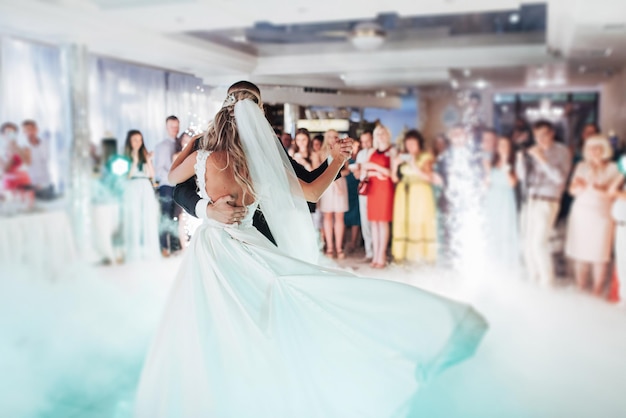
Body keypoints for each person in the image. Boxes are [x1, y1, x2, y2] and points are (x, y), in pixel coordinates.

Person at [134, 81, 487, 417]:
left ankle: (239, 387)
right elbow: (310, 192)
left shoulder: (208, 152)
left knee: (218, 318)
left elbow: (171, 179)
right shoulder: (258, 154)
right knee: (265, 307)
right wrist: (336, 161)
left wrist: (194, 146)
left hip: (214, 248)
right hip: (250, 244)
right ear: (255, 110)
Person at [516, 120, 572, 287]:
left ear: (552, 133)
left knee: (539, 243)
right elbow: (522, 177)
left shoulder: (562, 151)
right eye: (536, 136)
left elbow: (560, 179)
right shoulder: (532, 151)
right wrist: (520, 159)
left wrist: (542, 159)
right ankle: (534, 279)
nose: (540, 139)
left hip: (548, 202)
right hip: (531, 200)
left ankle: (547, 283)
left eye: (543, 135)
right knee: (526, 242)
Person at [565, 136, 620, 296]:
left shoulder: (614, 168)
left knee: (599, 255)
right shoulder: (581, 166)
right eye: (590, 148)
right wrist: (577, 187)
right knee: (580, 253)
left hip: (601, 215)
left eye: (597, 148)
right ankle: (581, 290)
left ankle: (597, 292)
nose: (593, 151)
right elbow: (572, 191)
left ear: (604, 150)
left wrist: (599, 188)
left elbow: (613, 193)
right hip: (581, 213)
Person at [391, 129, 438, 264]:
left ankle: (420, 256)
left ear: (419, 143)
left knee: (418, 221)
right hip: (403, 193)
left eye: (413, 143)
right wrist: (395, 165)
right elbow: (394, 179)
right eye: (408, 143)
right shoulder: (403, 157)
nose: (410, 146)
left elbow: (428, 178)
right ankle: (403, 255)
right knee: (403, 221)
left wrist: (413, 164)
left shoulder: (425, 157)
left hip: (420, 193)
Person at [122, 130, 160, 261]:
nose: (138, 143)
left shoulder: (145, 154)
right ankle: (134, 252)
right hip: (132, 186)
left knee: (147, 217)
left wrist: (148, 160)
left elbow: (152, 175)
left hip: (145, 186)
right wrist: (134, 160)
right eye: (134, 140)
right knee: (134, 217)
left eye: (140, 139)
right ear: (129, 141)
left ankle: (149, 252)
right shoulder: (125, 156)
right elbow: (127, 175)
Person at [483, 136, 520, 272]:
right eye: (500, 145)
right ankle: (493, 265)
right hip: (492, 199)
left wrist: (505, 163)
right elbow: (485, 186)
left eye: (505, 145)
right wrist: (487, 172)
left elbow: (512, 184)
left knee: (506, 231)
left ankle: (507, 267)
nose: (502, 148)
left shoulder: (515, 163)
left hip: (506, 200)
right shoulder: (491, 164)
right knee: (492, 231)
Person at [363, 124, 396, 268]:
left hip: (385, 188)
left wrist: (375, 168)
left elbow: (391, 173)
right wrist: (373, 171)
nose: (380, 136)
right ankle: (375, 255)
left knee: (383, 222)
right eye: (377, 134)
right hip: (373, 188)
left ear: (388, 135)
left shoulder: (392, 151)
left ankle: (381, 255)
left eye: (383, 133)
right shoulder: (371, 152)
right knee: (374, 223)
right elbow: (365, 169)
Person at [318, 130, 350, 259]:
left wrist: (338, 179)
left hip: (340, 183)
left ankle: (339, 247)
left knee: (339, 216)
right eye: (329, 136)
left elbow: (346, 170)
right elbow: (322, 171)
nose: (332, 139)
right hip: (327, 185)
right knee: (328, 216)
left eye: (335, 136)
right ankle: (330, 248)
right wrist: (335, 183)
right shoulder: (322, 152)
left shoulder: (343, 152)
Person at [154, 115, 181, 257]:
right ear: (166, 127)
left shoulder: (181, 143)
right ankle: (164, 247)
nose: (175, 129)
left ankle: (175, 247)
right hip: (166, 186)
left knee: (175, 217)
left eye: (177, 126)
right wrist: (172, 179)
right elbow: (159, 170)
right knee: (165, 217)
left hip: (177, 186)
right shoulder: (161, 146)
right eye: (172, 126)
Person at [352, 130, 374, 261]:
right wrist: (357, 172)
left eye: (368, 141)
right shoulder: (360, 153)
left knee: (376, 221)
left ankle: (377, 251)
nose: (365, 144)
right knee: (365, 221)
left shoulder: (376, 152)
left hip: (376, 188)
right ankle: (369, 251)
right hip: (364, 188)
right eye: (363, 141)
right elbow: (358, 173)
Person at [21, 120, 53, 198]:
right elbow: (25, 165)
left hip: (46, 181)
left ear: (36, 130)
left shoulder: (45, 143)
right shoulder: (23, 147)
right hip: (31, 184)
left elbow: (47, 159)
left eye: (31, 129)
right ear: (23, 133)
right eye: (26, 131)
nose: (29, 133)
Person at [344, 136, 362, 254]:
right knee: (344, 214)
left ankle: (354, 242)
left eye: (356, 146)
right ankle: (345, 241)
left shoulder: (360, 158)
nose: (355, 148)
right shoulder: (345, 158)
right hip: (346, 187)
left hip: (357, 187)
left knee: (356, 215)